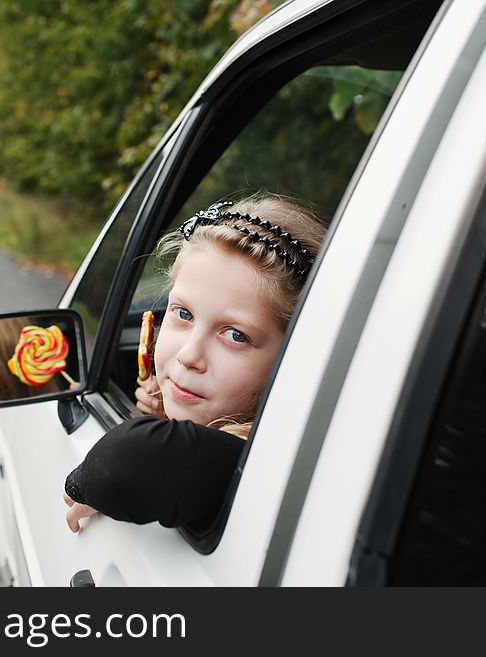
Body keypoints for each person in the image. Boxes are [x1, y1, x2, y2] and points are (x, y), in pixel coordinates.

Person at [64, 193, 326, 532]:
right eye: (183, 314)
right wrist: (162, 417)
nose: (189, 355)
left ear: (293, 356)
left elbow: (127, 462)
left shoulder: (258, 462)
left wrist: (80, 483)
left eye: (235, 335)